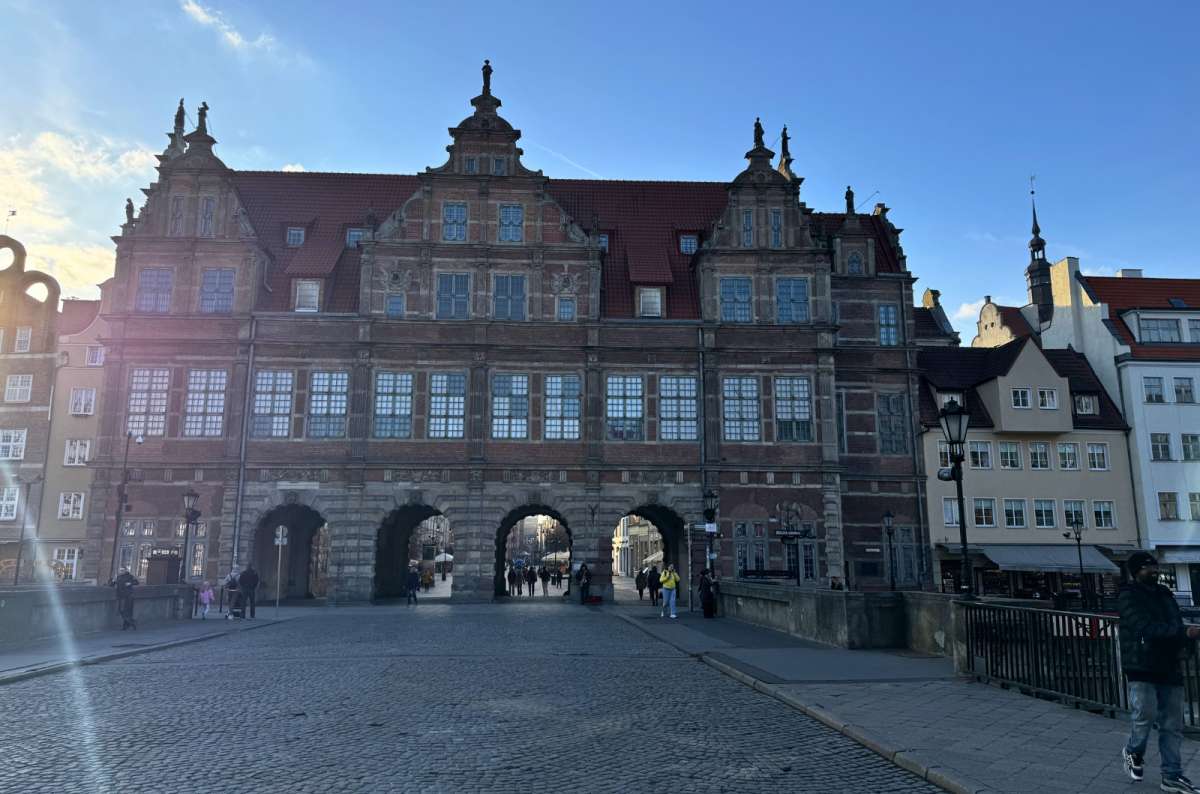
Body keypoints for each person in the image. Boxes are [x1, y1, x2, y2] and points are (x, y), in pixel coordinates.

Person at [1120, 551, 1200, 791]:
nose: (1154, 571)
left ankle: (1172, 775)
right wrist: (1183, 633)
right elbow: (1144, 627)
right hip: (1141, 664)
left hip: (1168, 664)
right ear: (1136, 572)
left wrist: (1184, 637)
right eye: (1147, 568)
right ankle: (1133, 751)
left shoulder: (1165, 594)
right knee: (1144, 716)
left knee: (1172, 724)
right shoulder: (1128, 596)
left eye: (1155, 567)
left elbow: (1174, 622)